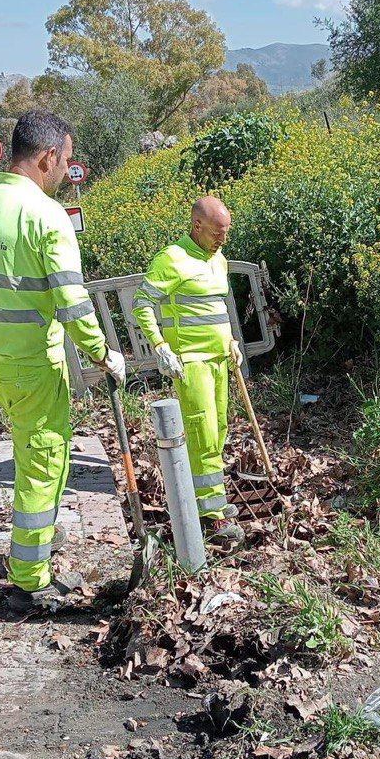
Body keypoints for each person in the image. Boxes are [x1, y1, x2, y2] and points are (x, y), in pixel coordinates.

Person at [0, 110, 125, 602]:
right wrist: (103, 353)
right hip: (29, 362)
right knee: (43, 459)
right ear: (47, 157)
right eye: (66, 160)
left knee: (39, 451)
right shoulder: (45, 215)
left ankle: (41, 535)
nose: (67, 170)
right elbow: (73, 301)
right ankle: (30, 576)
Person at [131, 197, 245, 546]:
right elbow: (142, 305)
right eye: (216, 233)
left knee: (219, 428)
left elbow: (216, 307)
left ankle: (211, 497)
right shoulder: (172, 259)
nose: (222, 240)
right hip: (191, 361)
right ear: (197, 226)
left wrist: (231, 341)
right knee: (202, 431)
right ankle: (211, 516)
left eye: (226, 233)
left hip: (219, 358)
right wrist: (160, 346)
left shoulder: (218, 259)